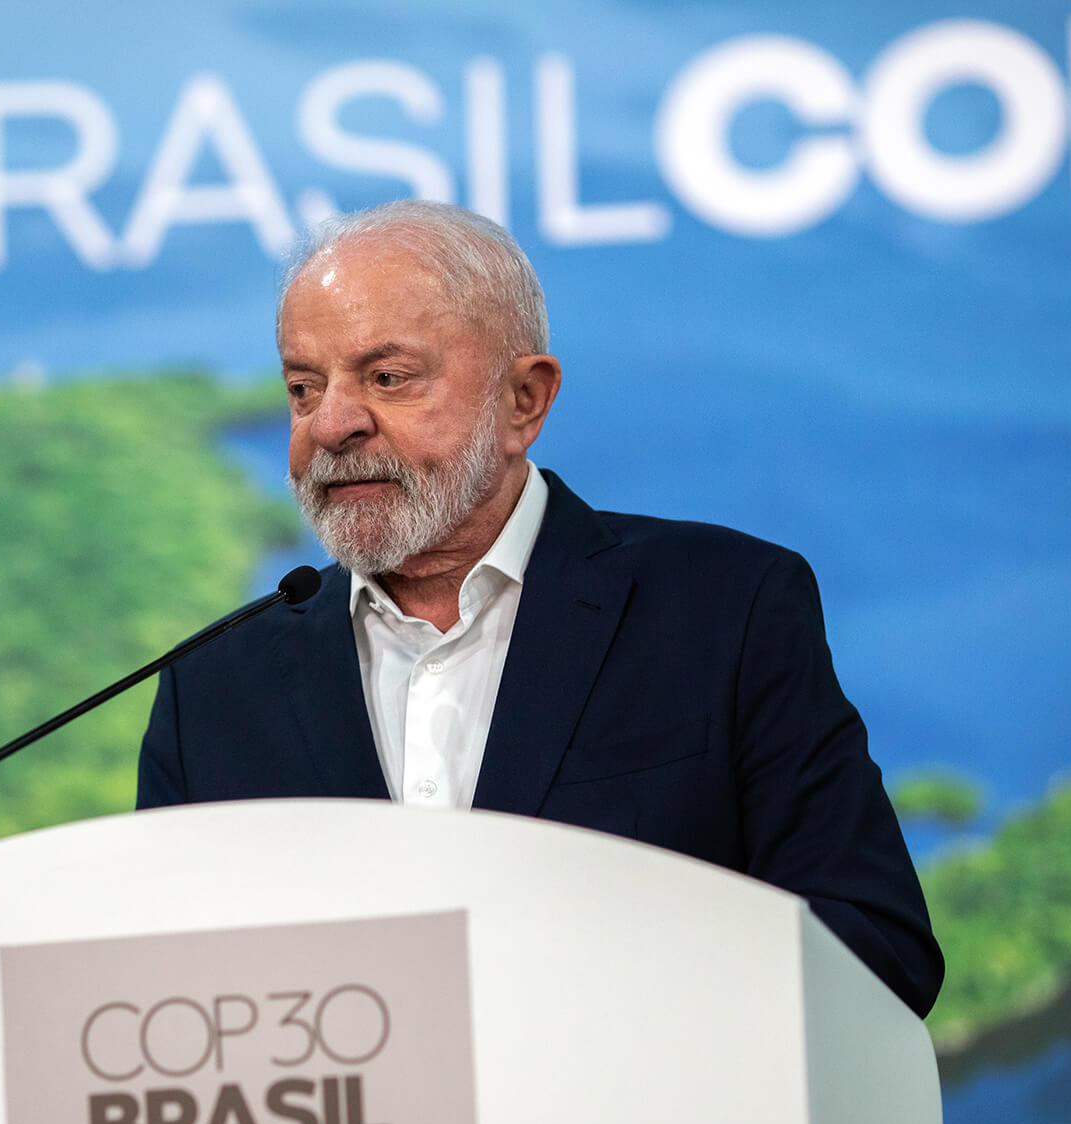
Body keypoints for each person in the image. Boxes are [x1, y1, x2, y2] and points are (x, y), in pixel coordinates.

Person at [137, 199, 942, 1017]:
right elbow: (154, 995)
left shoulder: (724, 612)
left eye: (387, 378)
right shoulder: (211, 694)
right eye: (303, 389)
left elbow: (875, 946)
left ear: (524, 400)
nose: (332, 424)